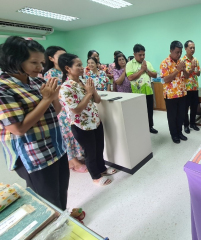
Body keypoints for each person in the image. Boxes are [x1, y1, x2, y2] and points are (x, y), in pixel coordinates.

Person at [0, 36, 69, 209]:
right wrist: (46, 99)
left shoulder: (38, 81)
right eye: (34, 63)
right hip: (33, 155)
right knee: (47, 203)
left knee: (61, 194)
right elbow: (18, 128)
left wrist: (53, 97)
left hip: (56, 147)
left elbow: (56, 111)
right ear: (15, 61)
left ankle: (66, 223)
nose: (40, 68)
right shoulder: (4, 88)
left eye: (42, 62)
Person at [59, 53, 117, 186]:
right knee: (90, 152)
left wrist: (92, 91)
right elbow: (76, 110)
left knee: (99, 148)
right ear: (68, 68)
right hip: (81, 126)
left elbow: (97, 100)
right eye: (78, 65)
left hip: (95, 121)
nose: (82, 67)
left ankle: (102, 169)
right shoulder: (65, 88)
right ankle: (95, 176)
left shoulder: (84, 81)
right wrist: (89, 93)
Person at [44, 46, 87, 173]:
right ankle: (72, 161)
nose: (64, 58)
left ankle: (77, 156)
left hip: (74, 106)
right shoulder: (50, 74)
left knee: (75, 132)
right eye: (60, 56)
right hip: (62, 109)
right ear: (51, 58)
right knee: (67, 134)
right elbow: (55, 95)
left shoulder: (65, 71)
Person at [160, 41, 189, 144]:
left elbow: (187, 77)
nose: (179, 54)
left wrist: (184, 69)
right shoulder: (165, 63)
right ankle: (174, 135)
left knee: (181, 115)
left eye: (180, 52)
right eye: (177, 52)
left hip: (182, 93)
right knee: (172, 117)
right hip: (171, 95)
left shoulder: (181, 61)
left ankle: (180, 133)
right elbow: (165, 79)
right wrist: (178, 69)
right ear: (171, 51)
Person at [126, 44, 158, 133]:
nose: (142, 56)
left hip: (148, 91)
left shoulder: (147, 63)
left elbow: (155, 75)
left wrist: (146, 69)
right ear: (134, 54)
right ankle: (141, 128)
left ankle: (150, 127)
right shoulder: (129, 64)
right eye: (140, 55)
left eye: (143, 54)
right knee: (139, 112)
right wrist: (141, 70)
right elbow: (130, 77)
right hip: (137, 93)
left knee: (149, 111)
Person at [181, 40, 201, 134]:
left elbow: (199, 73)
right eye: (191, 48)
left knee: (194, 107)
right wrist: (192, 69)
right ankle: (186, 125)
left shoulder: (195, 60)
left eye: (194, 48)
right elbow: (185, 75)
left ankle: (193, 123)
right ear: (186, 48)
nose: (192, 49)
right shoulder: (182, 61)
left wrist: (196, 71)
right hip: (186, 88)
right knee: (185, 108)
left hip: (194, 87)